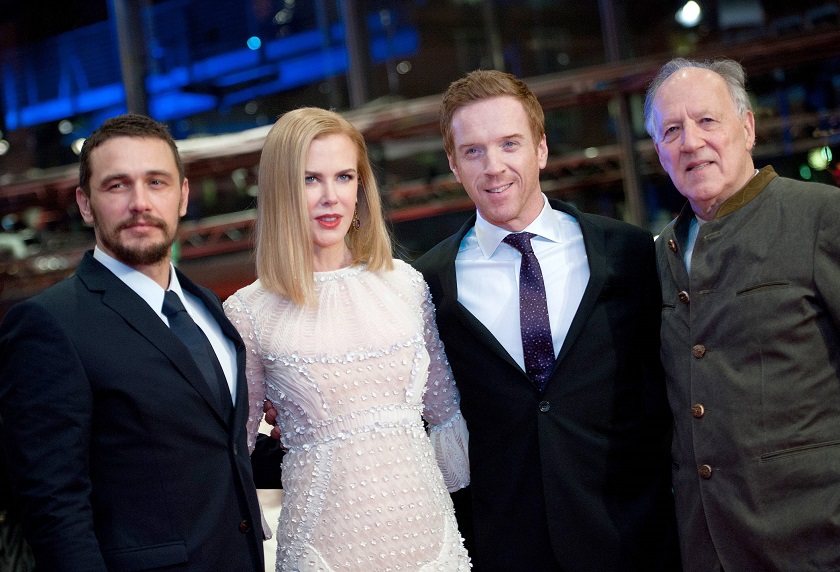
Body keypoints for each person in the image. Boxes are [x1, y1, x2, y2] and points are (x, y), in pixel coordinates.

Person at [411, 69, 680, 571]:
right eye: (473, 151)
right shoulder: (427, 284)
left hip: (632, 539)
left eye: (509, 144)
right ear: (453, 164)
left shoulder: (626, 253)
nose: (493, 166)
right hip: (504, 545)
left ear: (540, 149)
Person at [0, 114, 266, 571]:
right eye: (117, 186)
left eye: (156, 182)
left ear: (182, 196)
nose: (140, 203)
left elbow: (214, 450)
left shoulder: (209, 309)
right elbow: (54, 507)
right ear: (85, 204)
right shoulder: (48, 325)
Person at [223, 107, 471, 571]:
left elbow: (445, 414)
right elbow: (237, 447)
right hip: (323, 547)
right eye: (310, 179)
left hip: (430, 541)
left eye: (344, 177)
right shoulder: (249, 311)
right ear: (280, 190)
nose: (330, 197)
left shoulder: (405, 284)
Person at [645, 57, 840, 571]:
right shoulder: (657, 254)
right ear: (660, 153)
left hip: (814, 540)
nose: (690, 141)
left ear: (747, 127)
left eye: (707, 120)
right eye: (671, 130)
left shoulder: (820, 215)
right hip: (707, 547)